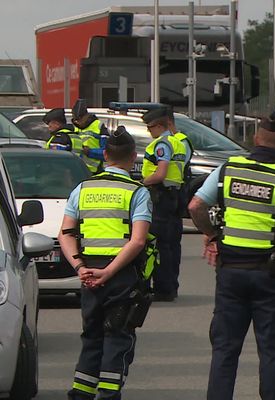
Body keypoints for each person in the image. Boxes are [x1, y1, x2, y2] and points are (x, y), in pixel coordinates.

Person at [188, 109, 275, 400]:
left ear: (255, 139)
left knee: (225, 349)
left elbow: (195, 206)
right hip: (271, 275)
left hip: (230, 272)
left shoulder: (229, 168)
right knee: (272, 350)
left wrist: (212, 235)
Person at [58, 127, 153, 400]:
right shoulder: (137, 192)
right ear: (133, 156)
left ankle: (81, 394)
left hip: (88, 274)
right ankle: (109, 395)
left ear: (106, 155)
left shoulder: (82, 189)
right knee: (118, 337)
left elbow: (65, 234)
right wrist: (109, 272)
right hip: (120, 275)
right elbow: (137, 242)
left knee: (92, 336)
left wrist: (79, 267)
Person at [141, 107, 187, 302]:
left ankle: (163, 288)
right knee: (170, 244)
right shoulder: (178, 143)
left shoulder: (162, 145)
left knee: (159, 244)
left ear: (160, 126)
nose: (149, 131)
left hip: (160, 195)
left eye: (151, 127)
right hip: (173, 195)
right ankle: (169, 286)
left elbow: (160, 173)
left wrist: (141, 183)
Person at [72, 99, 109, 174]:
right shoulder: (74, 128)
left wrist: (90, 152)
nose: (77, 122)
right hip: (77, 171)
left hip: (95, 172)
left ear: (86, 115)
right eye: (75, 119)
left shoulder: (98, 126)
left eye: (79, 119)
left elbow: (107, 152)